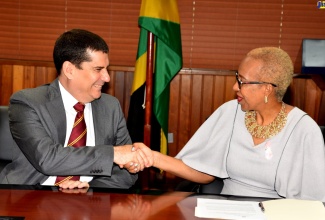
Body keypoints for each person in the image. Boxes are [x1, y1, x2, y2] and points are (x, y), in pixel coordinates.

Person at [132, 47, 325, 201]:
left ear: (267, 89)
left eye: (242, 81)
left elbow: (312, 202)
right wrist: (153, 158)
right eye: (236, 78)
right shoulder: (230, 112)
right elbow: (204, 171)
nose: (235, 87)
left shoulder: (304, 130)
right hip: (226, 209)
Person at [0, 29, 149, 189]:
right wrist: (113, 154)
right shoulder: (28, 103)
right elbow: (47, 159)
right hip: (30, 197)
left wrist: (90, 189)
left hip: (89, 203)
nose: (107, 77)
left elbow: (127, 172)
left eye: (106, 69)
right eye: (98, 69)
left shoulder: (111, 107)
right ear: (69, 70)